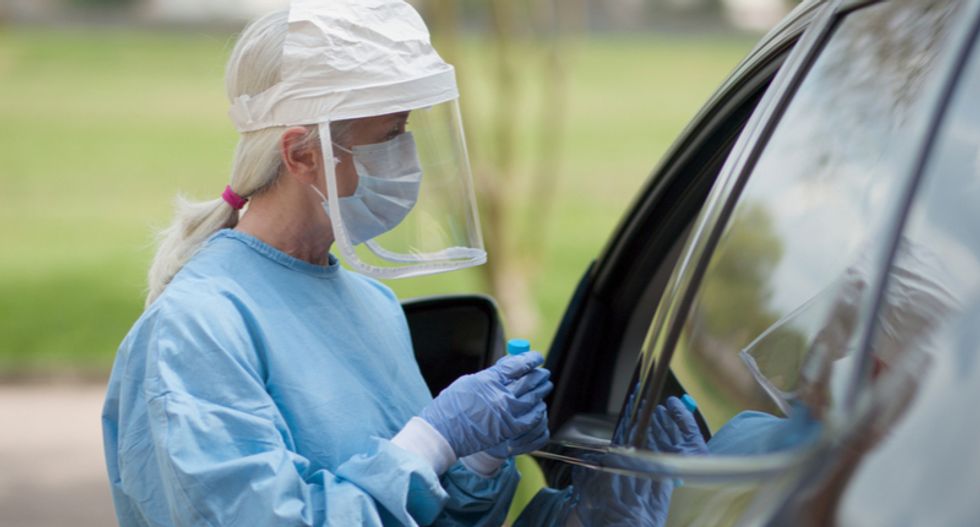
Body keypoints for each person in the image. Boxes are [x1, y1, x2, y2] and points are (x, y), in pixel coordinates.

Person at [101, 1, 552, 525]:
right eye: (389, 135)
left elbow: (426, 516)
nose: (408, 159)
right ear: (301, 154)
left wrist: (478, 458)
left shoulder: (374, 305)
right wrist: (432, 441)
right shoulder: (196, 329)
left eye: (406, 130)